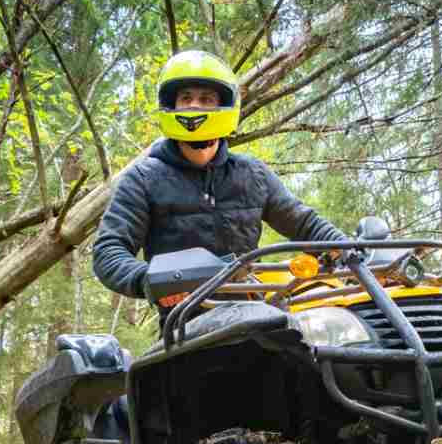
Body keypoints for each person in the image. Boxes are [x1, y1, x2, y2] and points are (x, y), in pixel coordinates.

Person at [93, 50, 345, 315]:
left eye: (206, 99)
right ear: (172, 105)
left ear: (224, 106)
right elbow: (109, 250)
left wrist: (351, 252)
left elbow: (305, 224)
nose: (194, 106)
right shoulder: (143, 179)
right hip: (184, 322)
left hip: (255, 313)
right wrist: (150, 279)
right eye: (186, 98)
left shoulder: (253, 174)